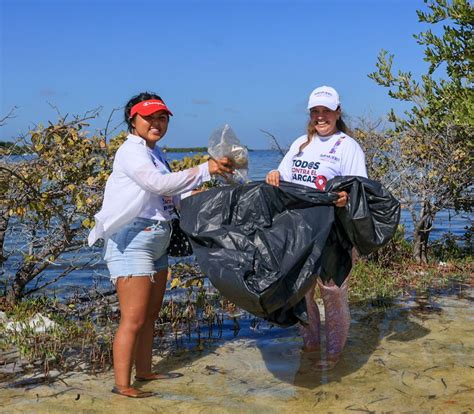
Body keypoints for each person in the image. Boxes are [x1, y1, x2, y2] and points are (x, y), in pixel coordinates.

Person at [88, 92, 233, 398]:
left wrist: (218, 192)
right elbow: (157, 184)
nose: (157, 123)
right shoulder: (131, 152)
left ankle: (144, 371)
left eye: (162, 117)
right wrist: (205, 169)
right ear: (133, 120)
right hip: (133, 240)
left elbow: (172, 196)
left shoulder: (156, 153)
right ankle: (122, 385)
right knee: (133, 318)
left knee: (150, 315)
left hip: (158, 239)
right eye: (149, 117)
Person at [265, 85, 367, 368]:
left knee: (332, 292)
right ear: (310, 114)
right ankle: (310, 344)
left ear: (337, 112)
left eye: (326, 111)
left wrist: (345, 199)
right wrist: (274, 175)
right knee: (303, 291)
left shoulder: (347, 146)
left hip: (335, 232)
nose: (321, 117)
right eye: (315, 112)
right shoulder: (301, 143)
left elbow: (361, 191)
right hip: (300, 230)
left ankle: (334, 353)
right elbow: (283, 176)